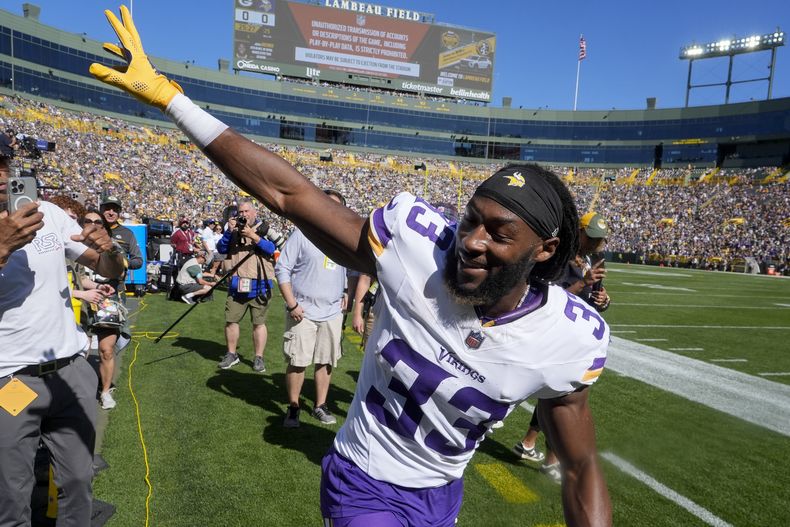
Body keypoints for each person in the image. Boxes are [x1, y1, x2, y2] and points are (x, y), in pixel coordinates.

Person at [89, 11, 612, 525]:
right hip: (362, 478)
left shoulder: (569, 337)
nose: (471, 242)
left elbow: (581, 463)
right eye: (472, 219)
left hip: (441, 496)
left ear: (544, 251)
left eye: (499, 234)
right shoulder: (416, 245)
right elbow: (290, 194)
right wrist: (172, 100)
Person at [0, 154, 126, 526]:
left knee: (78, 482)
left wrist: (110, 250)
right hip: (10, 378)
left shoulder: (49, 214)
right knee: (12, 496)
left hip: (69, 371)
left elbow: (105, 268)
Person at [515, 211, 611, 483]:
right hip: (553, 334)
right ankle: (547, 457)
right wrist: (584, 282)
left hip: (574, 338)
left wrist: (602, 300)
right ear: (578, 232)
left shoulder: (590, 260)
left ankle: (532, 445)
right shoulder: (558, 256)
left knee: (556, 395)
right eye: (590, 238)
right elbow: (545, 297)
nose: (594, 244)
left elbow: (591, 300)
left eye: (599, 240)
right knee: (560, 396)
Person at [275, 189, 348, 428]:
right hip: (302, 310)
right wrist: (291, 303)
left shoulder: (342, 238)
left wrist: (346, 291)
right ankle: (294, 407)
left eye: (335, 206)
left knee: (326, 361)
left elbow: (348, 270)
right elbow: (282, 269)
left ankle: (320, 405)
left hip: (332, 312)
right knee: (298, 360)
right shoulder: (303, 234)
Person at [215, 198, 276, 372]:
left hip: (260, 282)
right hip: (237, 282)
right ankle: (231, 354)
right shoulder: (233, 230)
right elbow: (221, 249)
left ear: (254, 212)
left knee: (259, 323)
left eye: (246, 211)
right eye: (240, 212)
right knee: (231, 320)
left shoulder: (264, 229)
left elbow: (273, 249)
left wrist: (253, 236)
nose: (243, 215)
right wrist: (229, 232)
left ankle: (259, 357)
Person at [80, 208, 126, 409]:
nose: (93, 224)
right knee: (81, 350)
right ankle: (81, 390)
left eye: (98, 222)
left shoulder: (112, 246)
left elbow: (122, 267)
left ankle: (105, 391)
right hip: (79, 302)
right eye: (88, 221)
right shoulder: (71, 244)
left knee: (106, 350)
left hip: (107, 301)